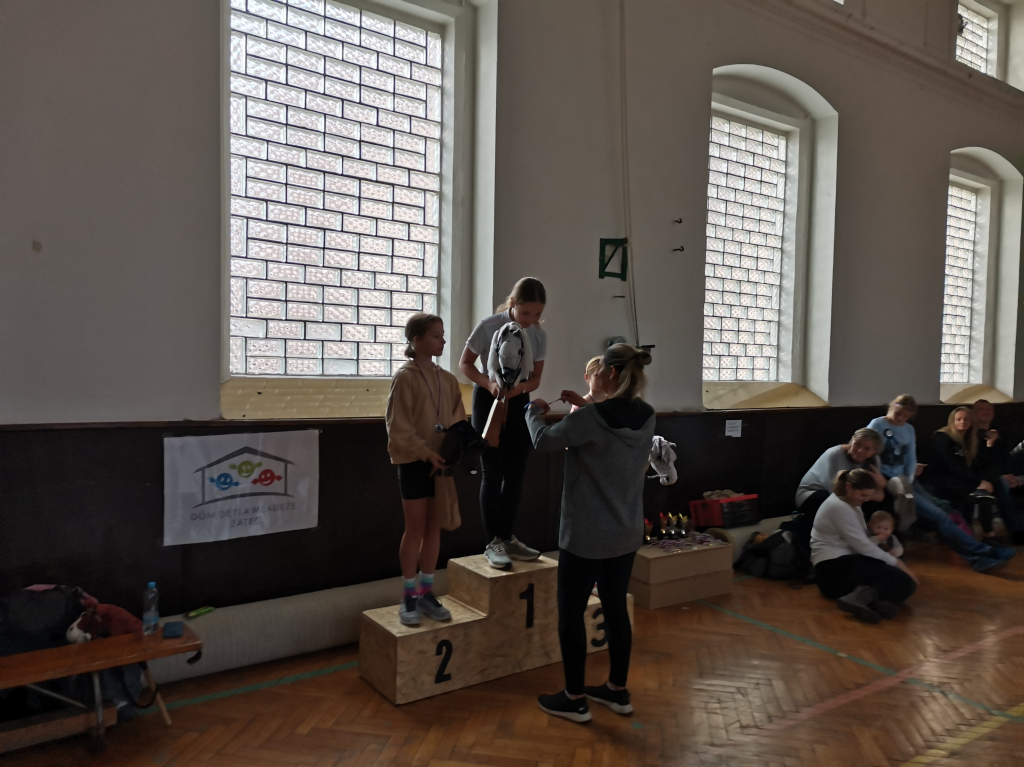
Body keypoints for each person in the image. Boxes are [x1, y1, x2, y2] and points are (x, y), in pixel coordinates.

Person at [526, 344, 655, 722]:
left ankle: (575, 699)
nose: (595, 373)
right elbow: (607, 435)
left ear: (611, 373)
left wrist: (531, 413)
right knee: (615, 609)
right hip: (626, 531)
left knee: (571, 613)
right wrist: (583, 404)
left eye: (600, 369)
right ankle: (617, 691)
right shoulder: (647, 415)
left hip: (586, 534)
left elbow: (544, 440)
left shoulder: (592, 417)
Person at [459, 278, 548, 570]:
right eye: (526, 313)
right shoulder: (488, 326)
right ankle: (492, 542)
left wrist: (518, 390)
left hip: (519, 398)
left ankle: (508, 537)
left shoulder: (538, 335)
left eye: (537, 314)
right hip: (489, 399)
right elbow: (465, 364)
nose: (531, 319)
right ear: (513, 304)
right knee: (492, 471)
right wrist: (490, 385)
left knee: (516, 473)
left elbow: (535, 378)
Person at [866, 396, 1014, 571]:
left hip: (907, 481)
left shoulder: (908, 429)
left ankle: (981, 556)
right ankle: (984, 553)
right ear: (891, 408)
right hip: (888, 481)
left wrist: (910, 479)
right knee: (938, 515)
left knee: (943, 512)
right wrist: (880, 479)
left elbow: (910, 458)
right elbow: (868, 452)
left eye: (905, 416)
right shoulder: (877, 425)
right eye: (898, 414)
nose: (900, 419)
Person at [385, 314, 465, 626]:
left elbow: (458, 420)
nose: (442, 341)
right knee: (415, 528)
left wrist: (458, 447)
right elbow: (398, 429)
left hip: (440, 462)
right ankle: (408, 595)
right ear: (417, 341)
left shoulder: (448, 380)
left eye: (443, 335)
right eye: (435, 335)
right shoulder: (405, 377)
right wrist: (425, 452)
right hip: (414, 462)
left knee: (434, 527)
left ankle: (426, 592)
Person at [811, 469, 918, 624]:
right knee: (904, 580)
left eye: (868, 496)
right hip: (833, 572)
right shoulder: (839, 507)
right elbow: (863, 547)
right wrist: (897, 563)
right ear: (849, 487)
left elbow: (863, 542)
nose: (866, 500)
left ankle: (869, 600)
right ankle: (861, 598)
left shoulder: (850, 504)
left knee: (902, 580)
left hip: (838, 571)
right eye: (863, 495)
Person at [924, 407, 1002, 540]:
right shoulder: (942, 437)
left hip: (961, 478)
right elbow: (951, 466)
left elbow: (981, 464)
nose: (962, 422)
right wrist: (979, 482)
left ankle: (987, 533)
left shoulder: (971, 439)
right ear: (952, 421)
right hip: (941, 479)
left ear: (971, 422)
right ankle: (972, 532)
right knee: (977, 492)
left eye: (966, 419)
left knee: (987, 491)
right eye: (958, 419)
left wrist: (990, 445)